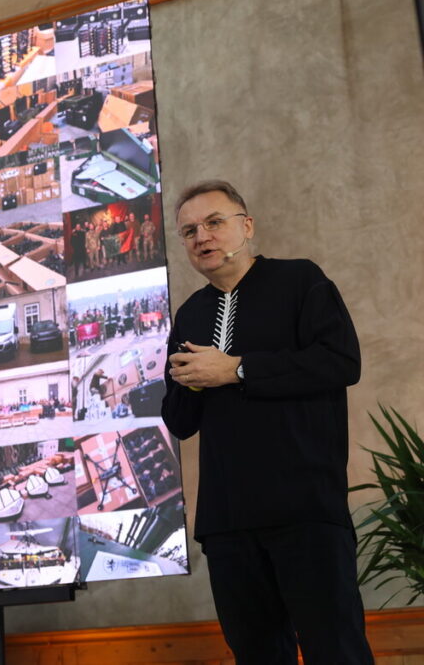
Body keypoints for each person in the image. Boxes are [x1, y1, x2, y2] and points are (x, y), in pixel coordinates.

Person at [161, 180, 372, 664]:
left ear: (247, 226)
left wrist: (236, 369)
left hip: (305, 509)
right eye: (189, 230)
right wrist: (196, 381)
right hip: (227, 522)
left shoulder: (300, 281)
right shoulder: (190, 315)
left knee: (336, 650)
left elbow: (341, 362)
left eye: (214, 222)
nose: (202, 236)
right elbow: (179, 420)